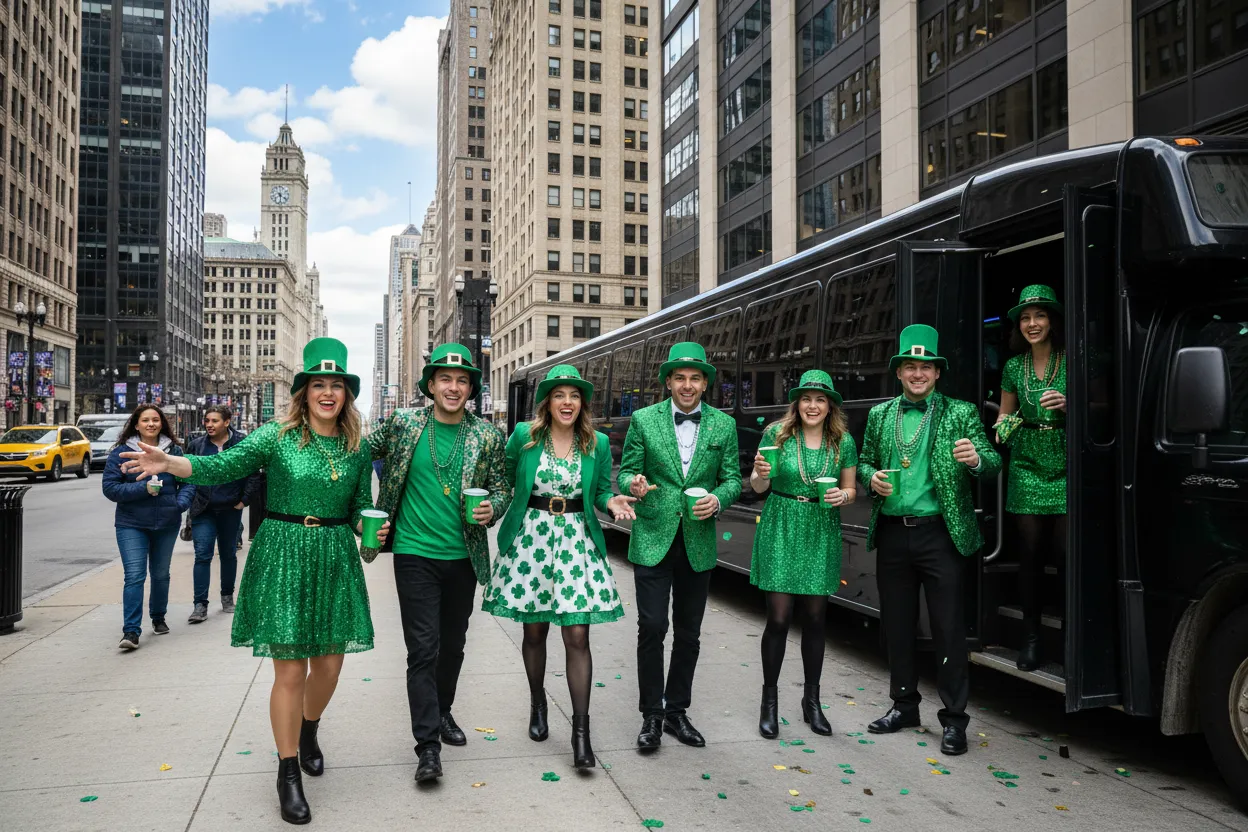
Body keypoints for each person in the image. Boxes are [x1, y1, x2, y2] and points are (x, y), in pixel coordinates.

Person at [122, 338, 386, 825]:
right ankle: (288, 771)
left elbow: (356, 513)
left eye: (337, 386)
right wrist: (171, 463)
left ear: (347, 395)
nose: (327, 394)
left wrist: (372, 534)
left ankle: (309, 730)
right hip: (283, 552)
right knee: (289, 671)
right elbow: (220, 466)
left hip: (333, 557)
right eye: (318, 385)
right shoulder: (276, 436)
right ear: (303, 392)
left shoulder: (356, 447)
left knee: (329, 665)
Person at [364, 343, 510, 784]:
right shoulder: (404, 423)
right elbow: (353, 450)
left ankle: (443, 710)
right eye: (445, 379)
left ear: (471, 388)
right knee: (422, 650)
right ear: (430, 385)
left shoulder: (487, 435)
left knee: (453, 645)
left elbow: (502, 487)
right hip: (413, 554)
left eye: (462, 380)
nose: (453, 386)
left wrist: (493, 508)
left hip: (462, 556)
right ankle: (427, 747)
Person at [483, 365, 637, 769]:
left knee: (577, 637)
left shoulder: (597, 443)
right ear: (547, 402)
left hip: (576, 542)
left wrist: (612, 503)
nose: (567, 402)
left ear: (581, 402)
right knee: (534, 632)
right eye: (558, 395)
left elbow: (602, 490)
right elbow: (504, 478)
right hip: (531, 539)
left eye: (573, 395)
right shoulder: (524, 436)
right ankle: (538, 704)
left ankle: (581, 733)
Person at [857, 324, 1001, 756]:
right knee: (897, 628)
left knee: (948, 631)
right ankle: (904, 706)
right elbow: (863, 463)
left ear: (937, 373)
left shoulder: (960, 412)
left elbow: (992, 461)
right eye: (909, 367)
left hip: (941, 534)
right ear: (898, 372)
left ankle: (954, 720)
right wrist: (872, 478)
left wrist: (977, 459)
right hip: (893, 534)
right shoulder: (882, 416)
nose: (917, 374)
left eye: (925, 367)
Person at [618, 341, 742, 751]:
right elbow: (627, 472)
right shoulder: (642, 419)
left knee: (689, 633)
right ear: (668, 382)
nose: (687, 385)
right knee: (652, 627)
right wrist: (632, 484)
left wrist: (718, 499)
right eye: (679, 378)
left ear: (704, 383)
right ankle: (651, 715)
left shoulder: (723, 426)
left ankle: (677, 712)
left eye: (695, 378)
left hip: (698, 540)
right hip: (654, 536)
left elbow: (734, 480)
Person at [749, 370, 858, 738]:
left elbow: (850, 490)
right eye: (807, 399)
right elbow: (758, 485)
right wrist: (760, 474)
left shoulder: (843, 442)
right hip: (780, 523)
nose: (813, 406)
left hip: (820, 527)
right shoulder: (776, 435)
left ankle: (812, 702)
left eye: (821, 399)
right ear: (798, 403)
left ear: (830, 406)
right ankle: (769, 701)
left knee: (815, 619)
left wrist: (842, 497)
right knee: (778, 618)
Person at [994, 285, 1067, 671]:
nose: (1032, 323)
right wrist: (1002, 426)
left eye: (1038, 316)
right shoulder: (1012, 366)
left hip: (1066, 463)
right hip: (1025, 463)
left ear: (1052, 321)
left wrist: (1069, 405)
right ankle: (1032, 639)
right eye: (1025, 317)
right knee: (1030, 557)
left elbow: (1105, 408)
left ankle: (1071, 639)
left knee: (1066, 555)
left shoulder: (1072, 360)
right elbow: (1004, 416)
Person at [102, 405, 196, 651]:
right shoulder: (121, 453)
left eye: (156, 420)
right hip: (131, 524)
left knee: (161, 573)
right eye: (145, 420)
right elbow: (111, 489)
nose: (151, 424)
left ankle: (158, 616)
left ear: (162, 424)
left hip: (166, 522)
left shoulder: (174, 452)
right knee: (134, 575)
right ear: (136, 424)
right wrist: (141, 488)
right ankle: (131, 631)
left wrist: (179, 504)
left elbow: (188, 482)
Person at [186, 405, 261, 623]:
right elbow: (186, 473)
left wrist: (243, 501)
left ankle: (227, 597)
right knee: (203, 555)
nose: (209, 425)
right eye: (207, 420)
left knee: (228, 554)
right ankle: (199, 605)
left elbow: (253, 473)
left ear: (227, 422)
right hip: (203, 509)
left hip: (230, 508)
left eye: (214, 421)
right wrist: (190, 502)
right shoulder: (197, 446)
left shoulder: (241, 443)